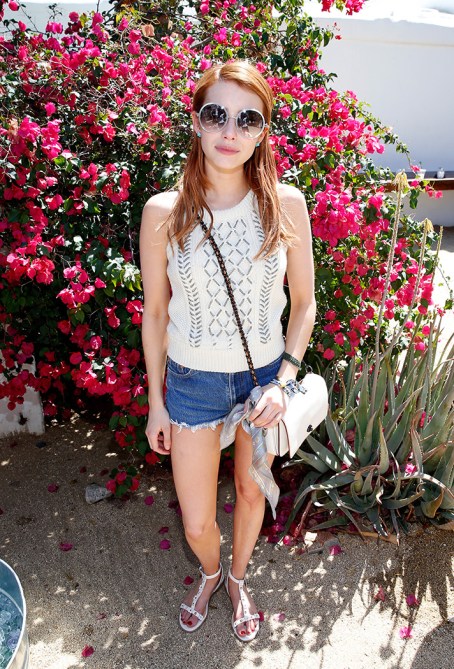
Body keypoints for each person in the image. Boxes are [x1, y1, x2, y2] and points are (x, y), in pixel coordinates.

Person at [140, 60, 316, 642]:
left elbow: (304, 304)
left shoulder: (285, 204)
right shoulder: (164, 212)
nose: (230, 131)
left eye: (248, 119)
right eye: (216, 114)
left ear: (263, 132)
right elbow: (156, 314)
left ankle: (238, 579)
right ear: (196, 121)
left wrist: (284, 380)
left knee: (248, 491)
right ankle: (211, 572)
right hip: (191, 383)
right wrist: (157, 403)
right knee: (195, 521)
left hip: (264, 380)